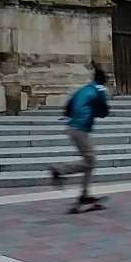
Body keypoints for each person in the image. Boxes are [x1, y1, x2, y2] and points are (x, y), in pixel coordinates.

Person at [50, 65, 111, 209]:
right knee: (91, 161)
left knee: (89, 160)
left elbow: (69, 105)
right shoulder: (99, 89)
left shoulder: (84, 88)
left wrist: (71, 116)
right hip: (80, 129)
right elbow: (104, 111)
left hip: (72, 127)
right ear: (103, 81)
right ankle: (59, 169)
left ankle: (84, 194)